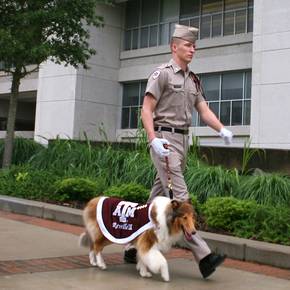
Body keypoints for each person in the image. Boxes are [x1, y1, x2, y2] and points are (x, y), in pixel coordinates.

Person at [124, 24, 233, 279]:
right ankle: (204, 257)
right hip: (164, 140)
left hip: (183, 142)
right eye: (188, 45)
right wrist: (152, 139)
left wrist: (222, 129)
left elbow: (203, 110)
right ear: (175, 47)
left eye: (194, 46)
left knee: (157, 196)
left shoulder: (193, 79)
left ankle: (132, 247)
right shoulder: (161, 74)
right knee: (181, 199)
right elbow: (146, 109)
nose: (192, 49)